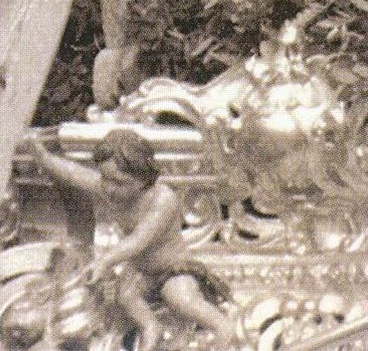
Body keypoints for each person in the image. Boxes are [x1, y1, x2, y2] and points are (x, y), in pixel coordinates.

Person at [31, 127, 237, 347]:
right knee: (124, 294)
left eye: (118, 182)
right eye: (105, 178)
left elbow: (139, 240)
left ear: (142, 178)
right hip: (142, 272)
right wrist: (42, 156)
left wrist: (107, 260)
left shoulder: (162, 200)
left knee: (178, 297)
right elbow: (75, 174)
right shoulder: (114, 191)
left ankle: (222, 328)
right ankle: (150, 326)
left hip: (173, 269)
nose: (109, 188)